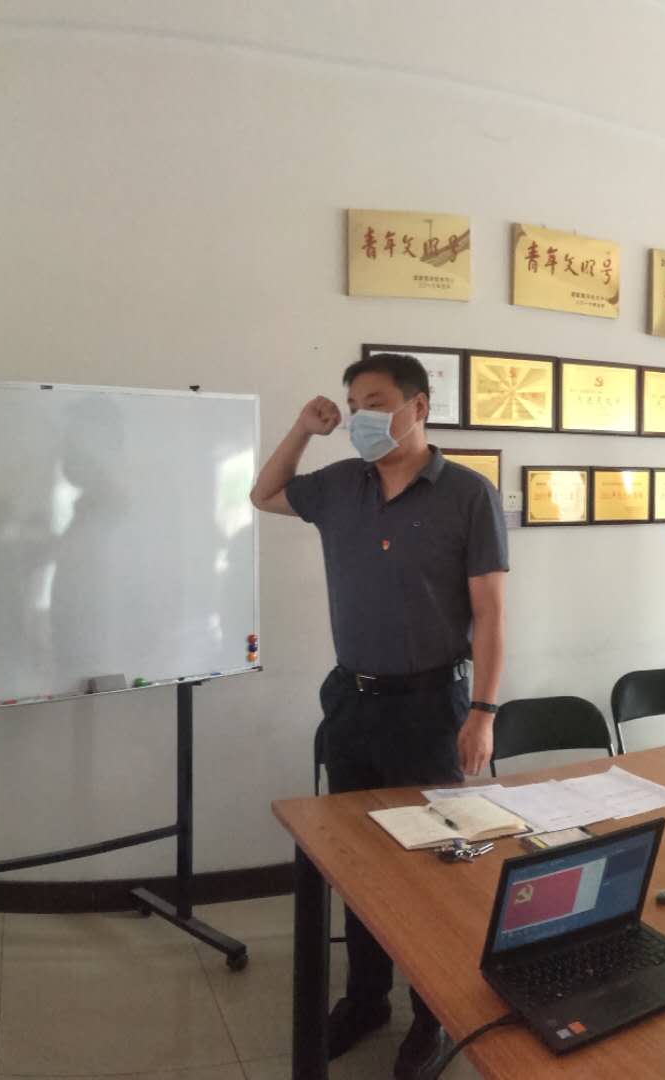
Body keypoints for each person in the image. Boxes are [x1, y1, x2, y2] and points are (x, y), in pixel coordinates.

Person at [249, 352, 509, 1077]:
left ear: (418, 407)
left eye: (375, 402)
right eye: (353, 404)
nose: (361, 416)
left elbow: (491, 614)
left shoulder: (468, 493)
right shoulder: (340, 484)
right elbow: (264, 494)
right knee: (359, 863)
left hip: (431, 706)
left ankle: (432, 1014)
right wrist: (303, 429)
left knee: (432, 867)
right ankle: (366, 997)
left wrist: (483, 712)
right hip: (352, 702)